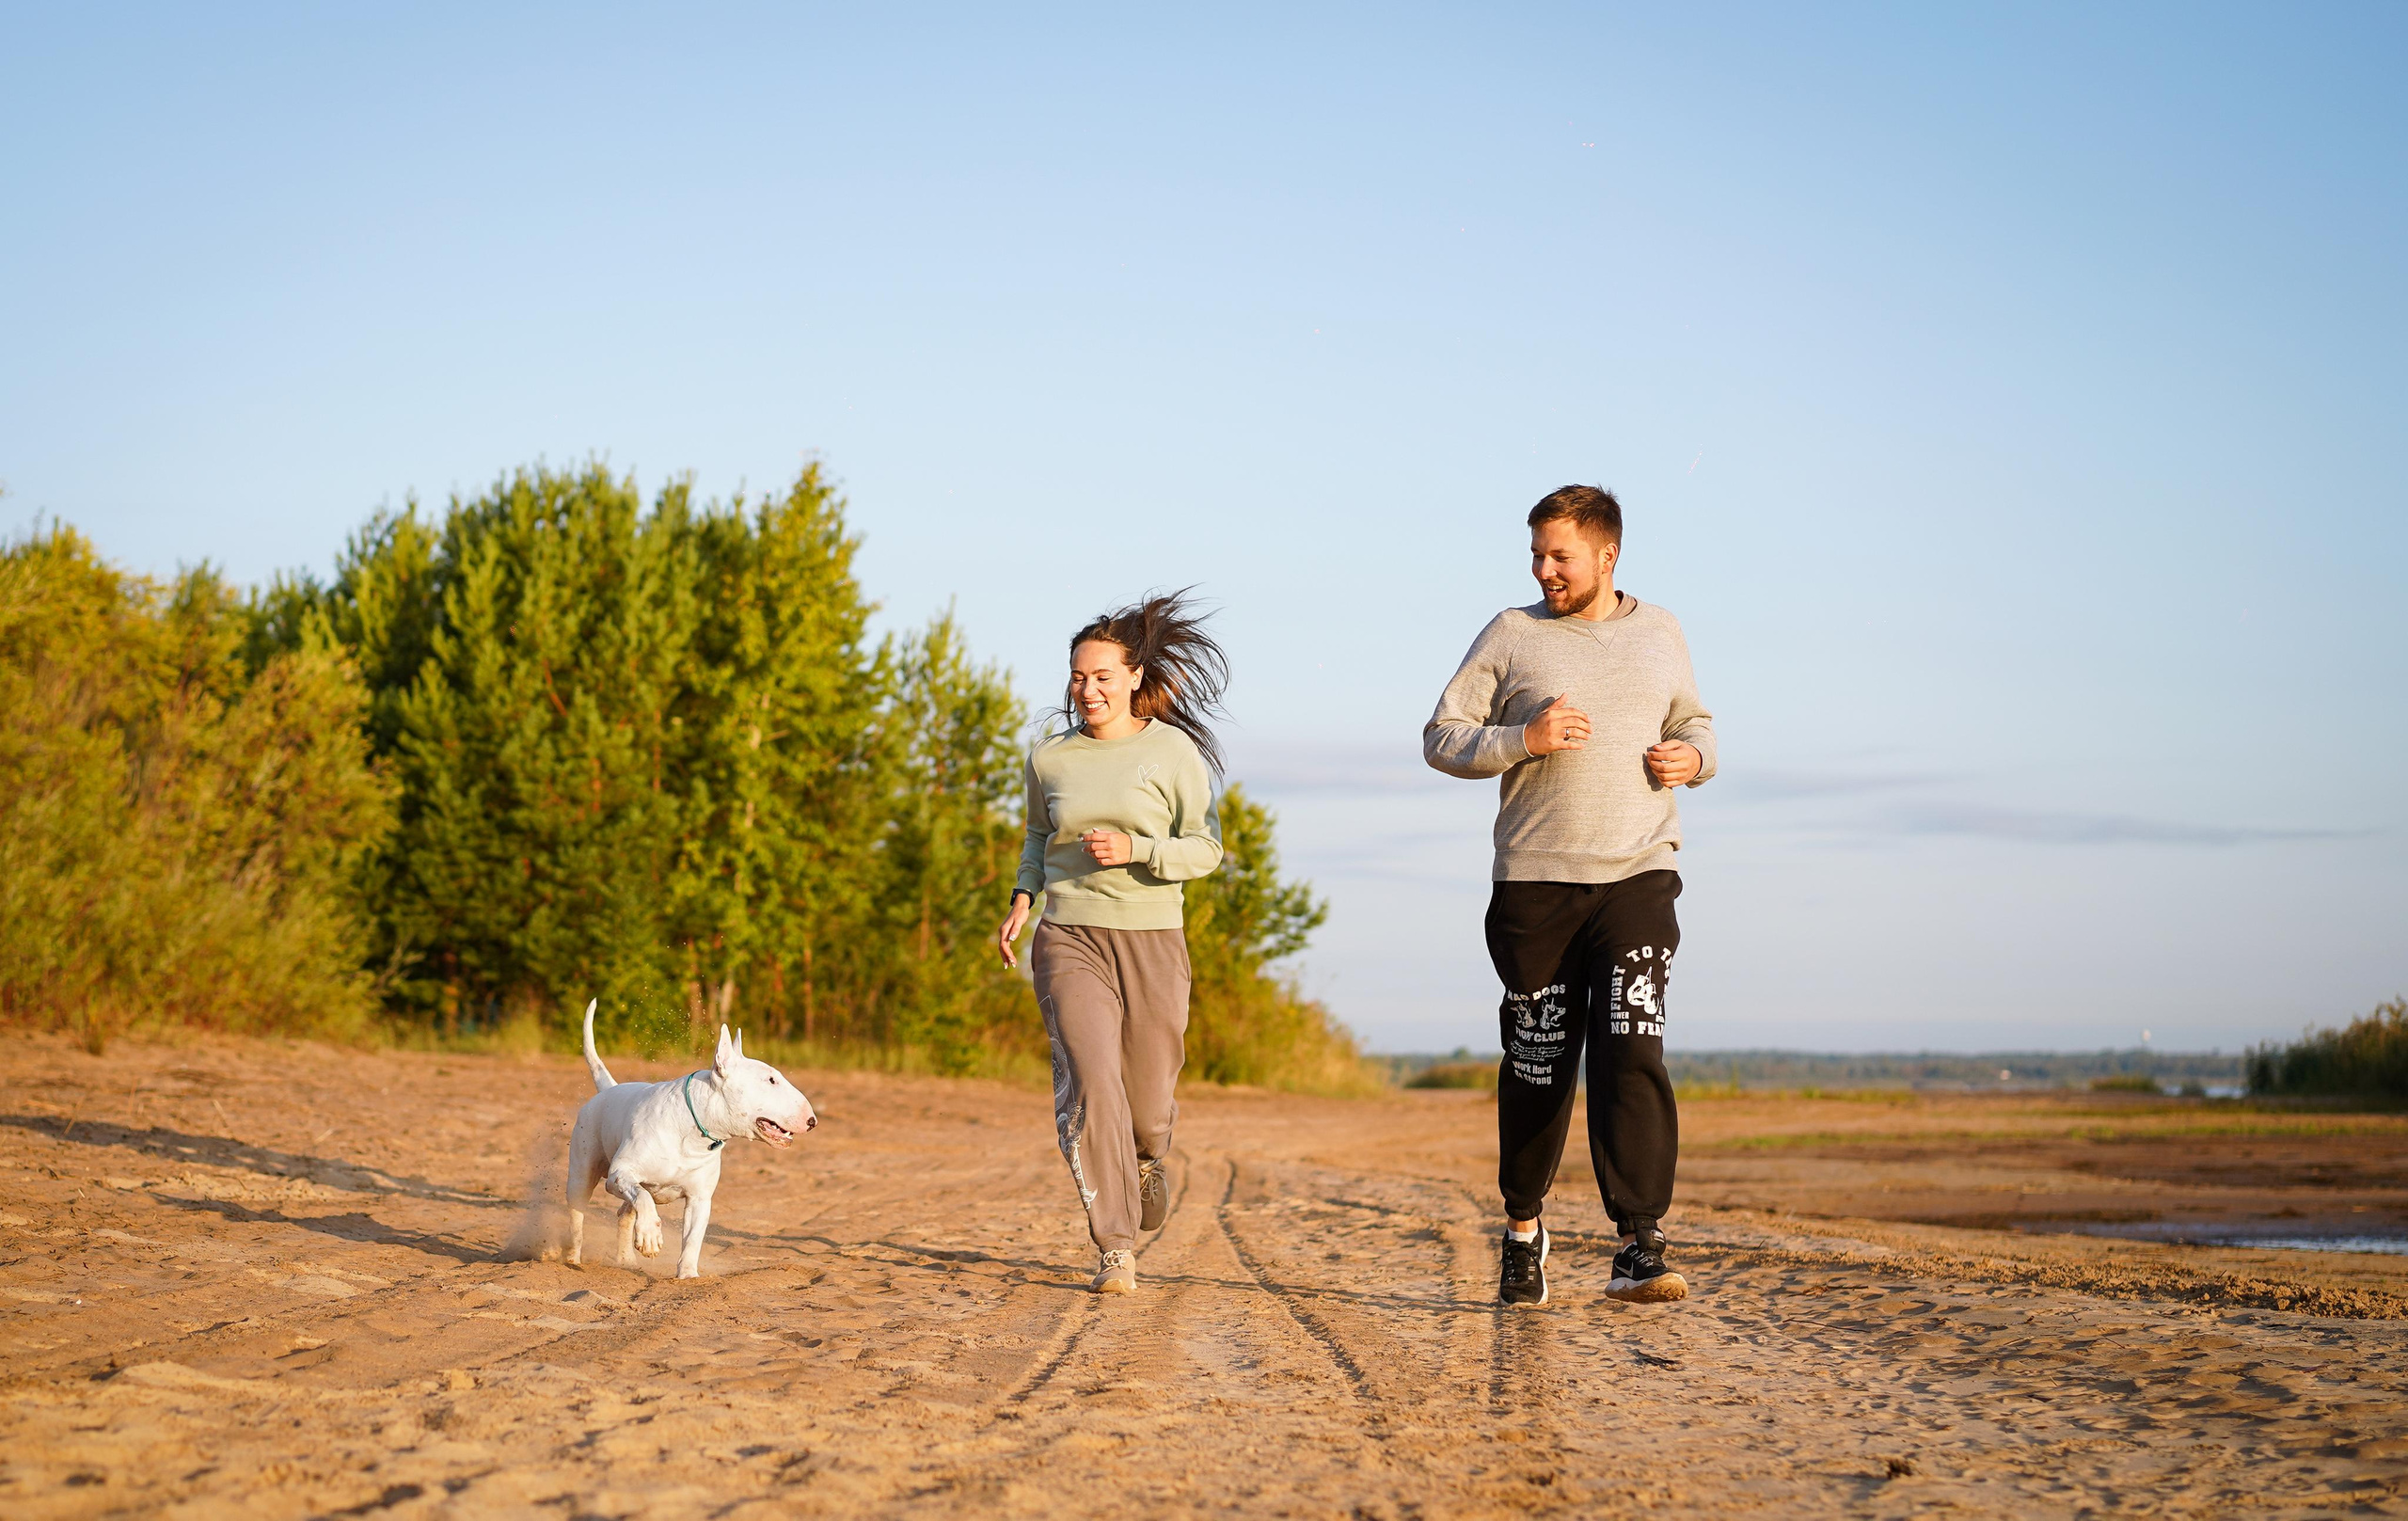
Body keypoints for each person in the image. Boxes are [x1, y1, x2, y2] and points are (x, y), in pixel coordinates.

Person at [1423, 485, 1717, 1307]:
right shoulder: (1512, 634)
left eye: (1561, 555)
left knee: (1633, 1047)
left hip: (1639, 871)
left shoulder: (1660, 630)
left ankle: (1640, 1241)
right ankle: (1523, 1228)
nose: (1545, 569)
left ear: (1607, 554)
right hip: (1535, 883)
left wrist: (1693, 760)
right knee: (1539, 1062)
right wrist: (1524, 739)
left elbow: (1697, 723)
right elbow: (1441, 736)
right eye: (1537, 556)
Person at [996, 593, 1227, 1295]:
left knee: (1148, 1103)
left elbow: (1205, 849)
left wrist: (1138, 847)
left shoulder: (1172, 751)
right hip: (1069, 934)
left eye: (1101, 676)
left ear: (1133, 677)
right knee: (1095, 1086)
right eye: (1077, 676)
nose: (1087, 689)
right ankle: (1115, 1248)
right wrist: (1022, 897)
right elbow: (1038, 836)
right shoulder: (1050, 758)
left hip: (1153, 935)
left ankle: (1148, 1156)